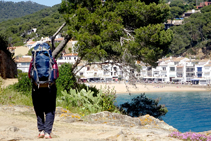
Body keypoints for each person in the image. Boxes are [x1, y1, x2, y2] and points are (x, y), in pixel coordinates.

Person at [28, 45, 59, 139]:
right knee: (50, 110)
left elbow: (30, 74)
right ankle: (47, 133)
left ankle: (41, 131)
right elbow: (56, 74)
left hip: (37, 88)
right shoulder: (52, 60)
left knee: (39, 109)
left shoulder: (33, 61)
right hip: (50, 88)